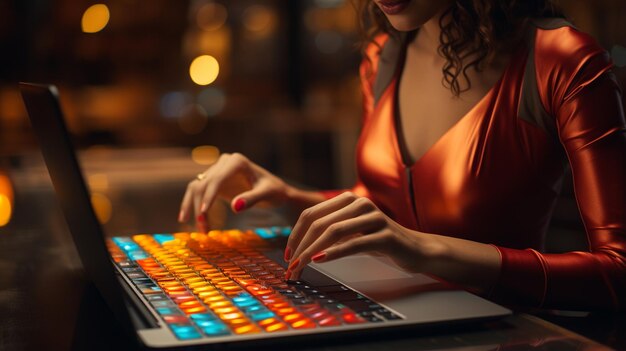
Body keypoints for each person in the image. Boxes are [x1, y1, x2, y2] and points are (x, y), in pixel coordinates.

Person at [179, 0, 626, 311]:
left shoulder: (560, 59)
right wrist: (287, 195)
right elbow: (382, 208)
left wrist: (419, 247)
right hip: (390, 314)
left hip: (506, 332)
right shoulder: (384, 53)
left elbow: (617, 272)